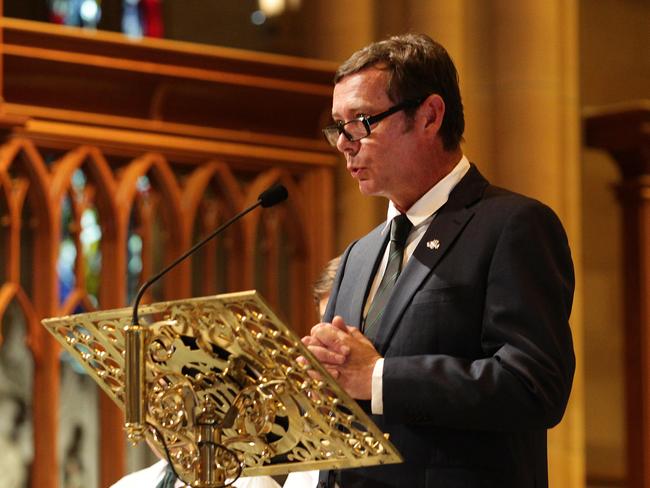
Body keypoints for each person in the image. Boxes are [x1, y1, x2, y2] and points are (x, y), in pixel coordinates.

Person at [302, 33, 575, 488]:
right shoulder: (357, 256)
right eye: (337, 126)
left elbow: (534, 386)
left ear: (429, 116)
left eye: (363, 121)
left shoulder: (511, 225)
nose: (344, 144)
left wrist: (379, 376)